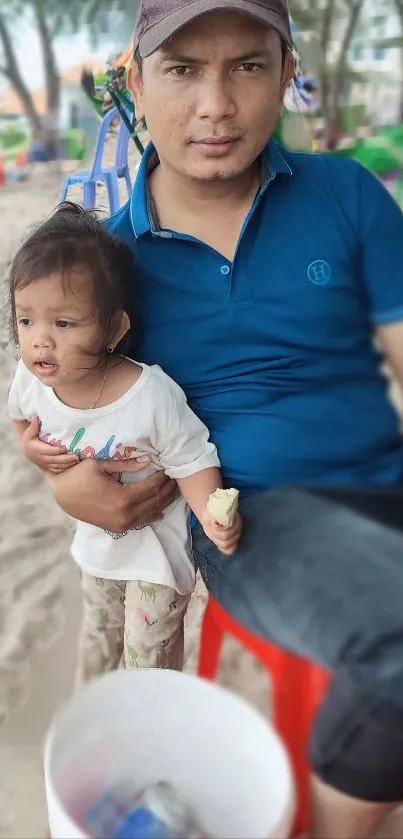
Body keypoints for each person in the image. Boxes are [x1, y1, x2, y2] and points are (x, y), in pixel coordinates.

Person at [17, 0, 403, 836]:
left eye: (247, 66)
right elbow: (67, 405)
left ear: (288, 74)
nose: (216, 106)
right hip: (249, 511)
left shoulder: (345, 193)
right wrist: (67, 481)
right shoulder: (106, 269)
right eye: (183, 68)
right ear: (136, 83)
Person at [7, 201, 241, 679]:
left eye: (64, 323)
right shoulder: (30, 381)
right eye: (26, 320)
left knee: (146, 660)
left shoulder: (150, 395)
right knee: (97, 642)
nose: (39, 342)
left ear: (114, 328)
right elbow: (20, 419)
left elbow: (192, 458)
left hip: (156, 557)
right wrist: (30, 451)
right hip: (96, 547)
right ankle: (88, 730)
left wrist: (212, 516)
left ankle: (145, 739)